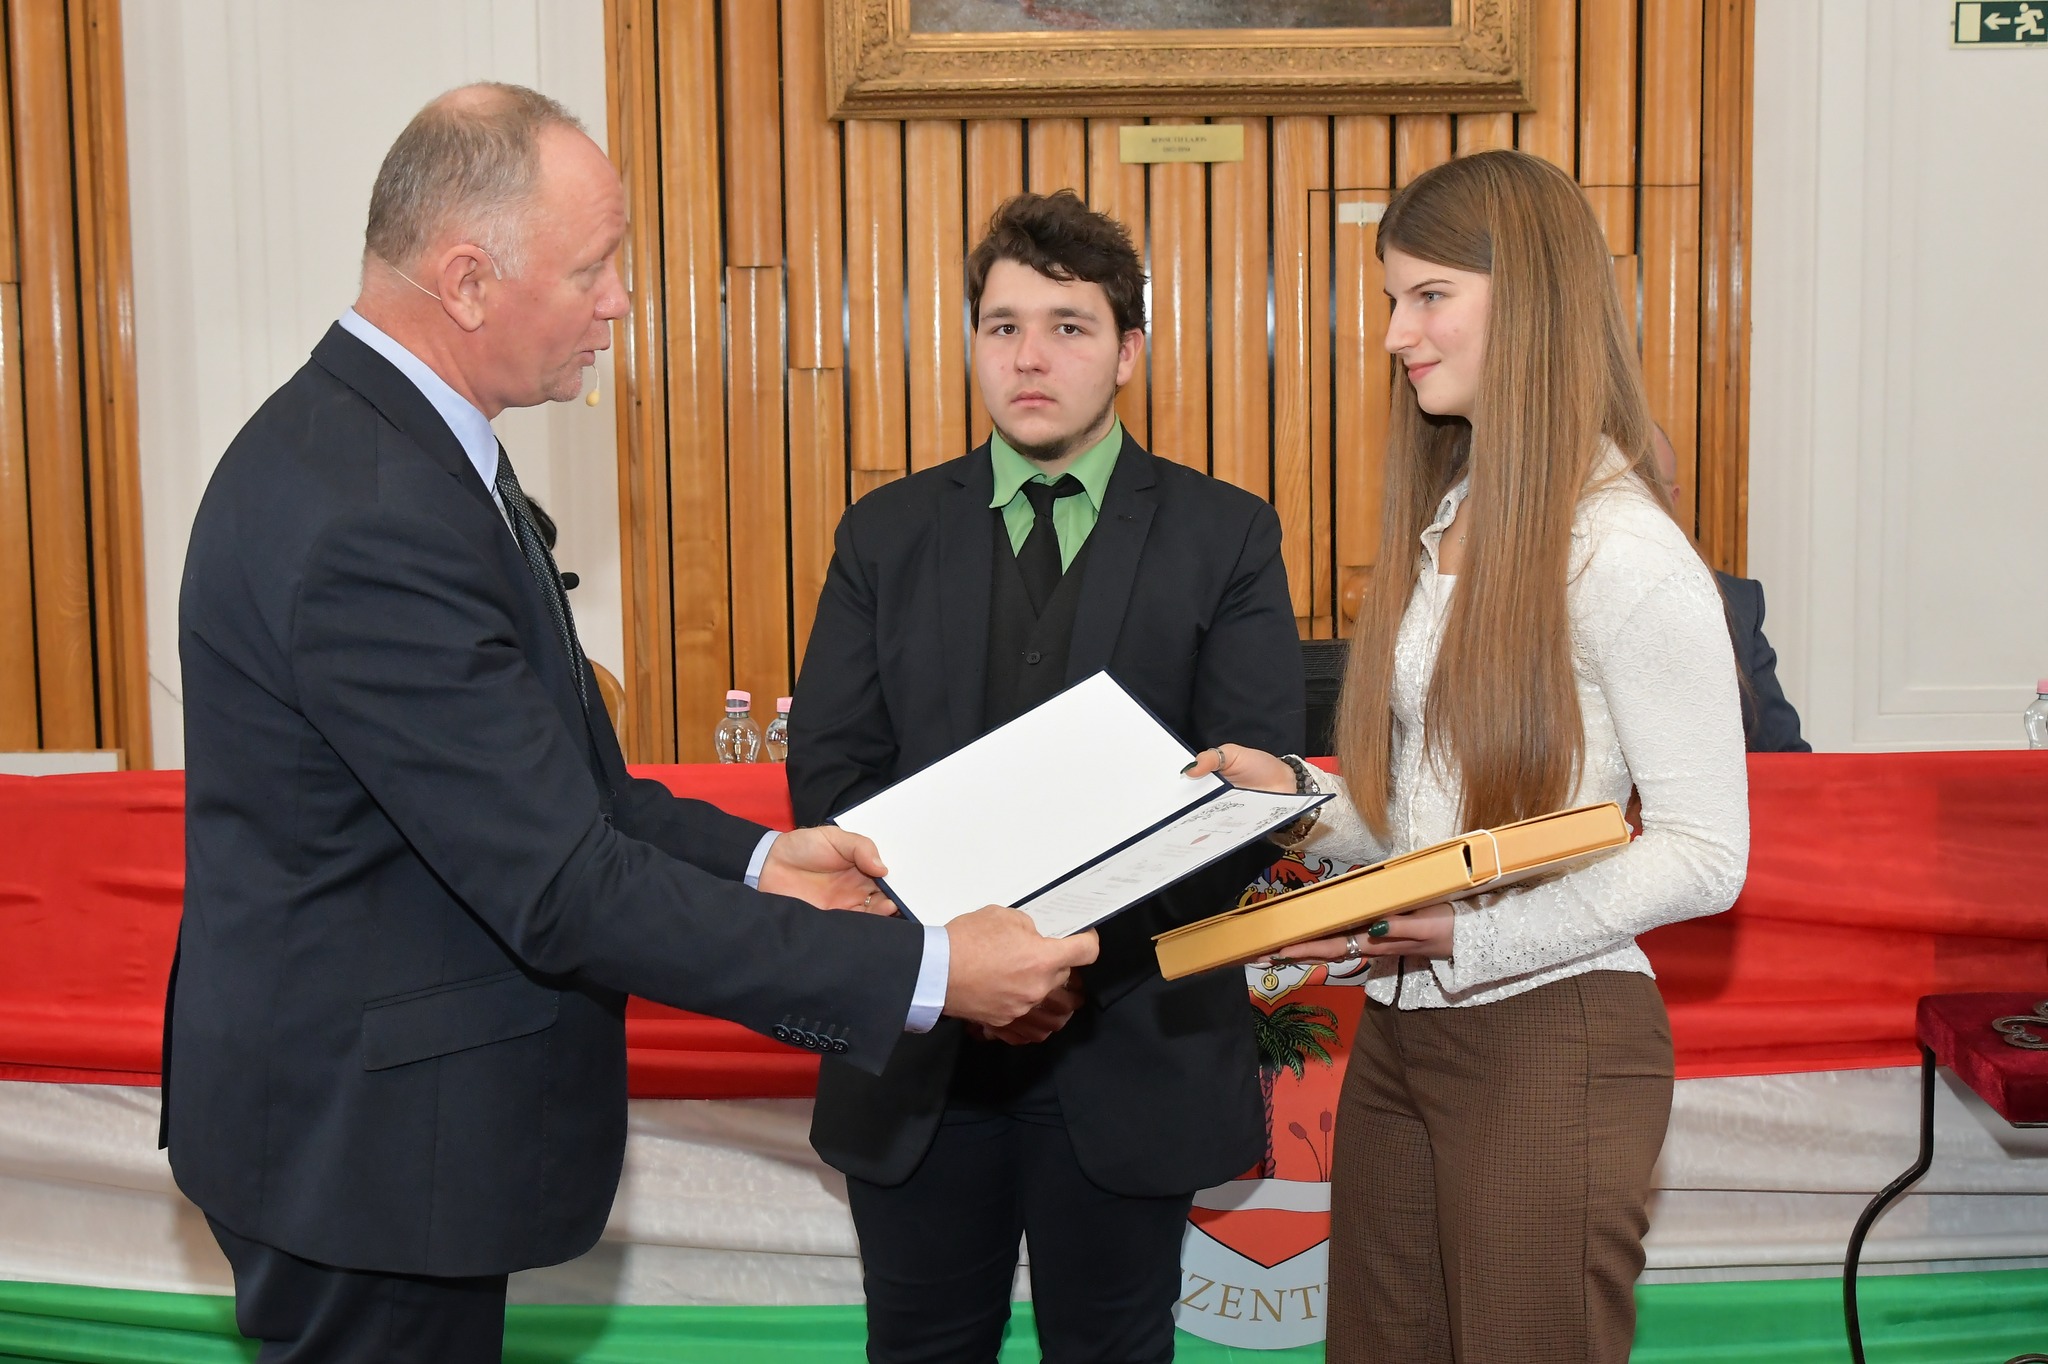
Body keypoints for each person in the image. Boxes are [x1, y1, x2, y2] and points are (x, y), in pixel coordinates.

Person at [164, 84, 1095, 1364]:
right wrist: (928, 972)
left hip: (378, 1131)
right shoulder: (371, 507)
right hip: (361, 1148)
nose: (618, 301)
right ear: (469, 279)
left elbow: (571, 791)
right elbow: (562, 884)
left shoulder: (401, 447)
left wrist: (766, 859)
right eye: (591, 268)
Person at [1186, 149, 1749, 1363]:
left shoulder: (1622, 552)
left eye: (1429, 294)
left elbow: (1706, 853)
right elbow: (1433, 829)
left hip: (1552, 1030)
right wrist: (1291, 799)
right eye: (1393, 298)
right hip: (1403, 1023)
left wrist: (1469, 936)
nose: (1396, 332)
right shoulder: (1453, 514)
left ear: (1530, 296)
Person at [789, 190, 1303, 1364]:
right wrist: (960, 966)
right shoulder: (883, 534)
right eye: (1002, 325)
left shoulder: (1225, 535)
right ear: (971, 342)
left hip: (1130, 1038)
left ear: (1126, 352)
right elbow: (833, 778)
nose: (1029, 356)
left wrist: (1054, 968)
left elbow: (1242, 795)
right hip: (918, 1044)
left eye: (1068, 327)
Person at [1649, 425, 1811, 752]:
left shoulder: (1736, 604)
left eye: (1648, 485)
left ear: (1673, 499)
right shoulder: (1546, 607)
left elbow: (1785, 756)